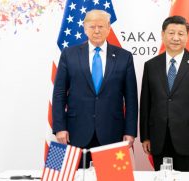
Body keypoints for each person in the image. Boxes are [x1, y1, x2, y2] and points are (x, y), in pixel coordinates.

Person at [52, 9, 138, 168]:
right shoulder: (69, 54)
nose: (97, 30)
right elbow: (59, 94)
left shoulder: (124, 57)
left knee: (112, 178)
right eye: (92, 27)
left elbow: (131, 98)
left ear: (109, 28)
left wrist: (130, 131)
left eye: (101, 26)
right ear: (84, 28)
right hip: (74, 132)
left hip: (112, 133)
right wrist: (59, 127)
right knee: (73, 177)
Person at [140, 15, 189, 171]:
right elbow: (146, 103)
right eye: (171, 33)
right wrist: (145, 136)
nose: (176, 38)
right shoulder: (151, 65)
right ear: (163, 35)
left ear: (187, 36)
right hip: (159, 138)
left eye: (181, 34)